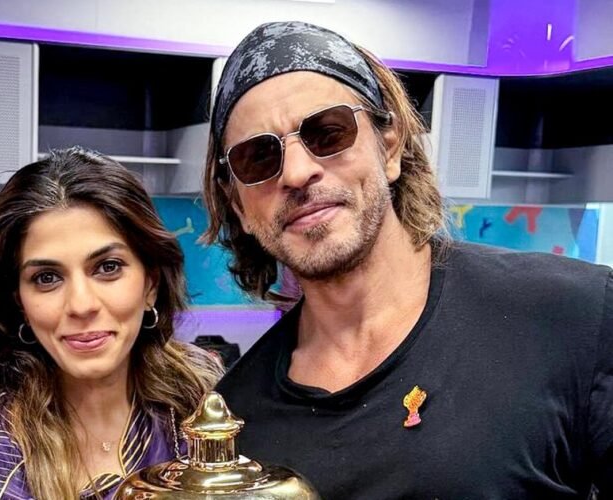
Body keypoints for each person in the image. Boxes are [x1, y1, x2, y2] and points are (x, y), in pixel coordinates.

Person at [203, 21, 612, 498]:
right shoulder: (238, 421)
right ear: (238, 205)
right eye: (257, 158)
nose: (296, 172)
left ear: (390, 144)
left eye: (328, 133)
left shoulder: (573, 315)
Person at [0, 147, 223, 499]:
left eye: (108, 267)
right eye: (47, 278)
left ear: (151, 284)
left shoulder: (202, 396)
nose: (81, 305)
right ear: (19, 302)